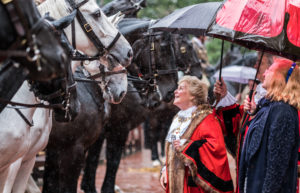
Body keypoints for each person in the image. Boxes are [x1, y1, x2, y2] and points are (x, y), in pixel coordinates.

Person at [216, 57, 300, 193]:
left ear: (279, 77)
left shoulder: (283, 112)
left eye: (270, 69)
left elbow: (276, 166)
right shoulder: (270, 107)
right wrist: (256, 112)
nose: (265, 73)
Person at [160, 75, 234, 193]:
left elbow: (216, 147)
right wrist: (165, 169)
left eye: (181, 88)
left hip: (194, 186)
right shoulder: (178, 118)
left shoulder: (207, 118)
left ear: (193, 95)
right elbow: (172, 148)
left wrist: (188, 147)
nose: (175, 91)